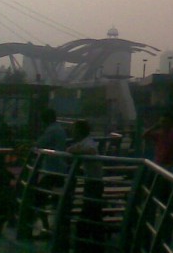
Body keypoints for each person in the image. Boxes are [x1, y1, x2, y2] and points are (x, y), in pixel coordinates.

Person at [67, 120, 103, 253]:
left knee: (90, 213)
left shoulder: (88, 142)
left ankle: (85, 244)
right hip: (92, 182)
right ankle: (95, 243)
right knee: (93, 214)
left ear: (80, 131)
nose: (72, 132)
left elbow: (91, 150)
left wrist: (76, 150)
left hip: (94, 183)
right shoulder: (84, 142)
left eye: (74, 129)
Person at [33, 108, 67, 235]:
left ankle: (46, 227)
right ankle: (56, 227)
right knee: (57, 200)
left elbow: (39, 144)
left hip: (51, 170)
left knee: (39, 198)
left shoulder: (51, 130)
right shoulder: (59, 129)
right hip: (59, 169)